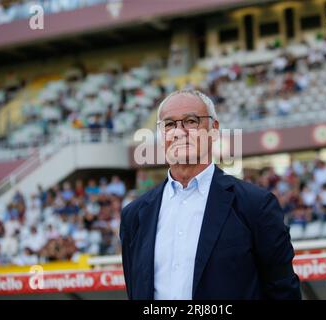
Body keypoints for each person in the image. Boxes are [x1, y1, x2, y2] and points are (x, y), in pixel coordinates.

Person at [120, 90, 301, 300]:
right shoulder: (134, 216)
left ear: (213, 130)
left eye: (191, 121)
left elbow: (283, 292)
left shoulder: (255, 205)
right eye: (169, 125)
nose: (179, 132)